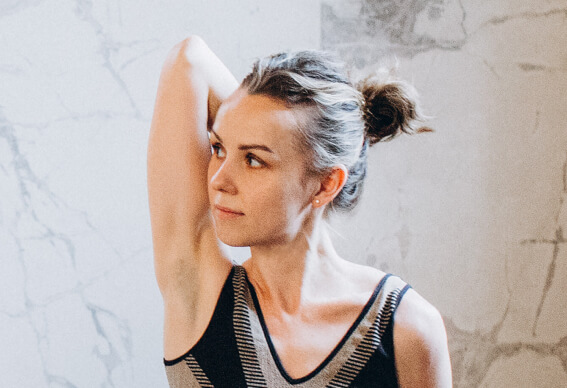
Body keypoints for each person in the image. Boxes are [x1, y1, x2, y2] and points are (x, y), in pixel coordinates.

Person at [147, 36, 452, 387]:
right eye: (218, 148)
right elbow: (189, 59)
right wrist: (263, 129)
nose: (218, 180)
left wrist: (300, 134)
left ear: (326, 184)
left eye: (253, 160)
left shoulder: (407, 329)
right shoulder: (197, 291)